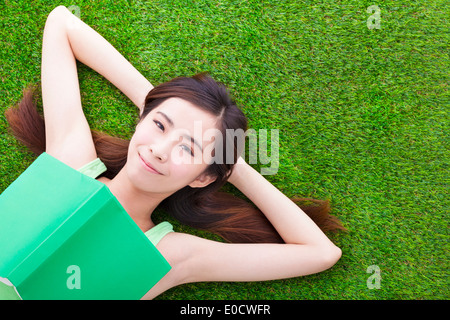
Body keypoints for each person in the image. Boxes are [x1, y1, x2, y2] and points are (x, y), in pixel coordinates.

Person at [4, 6, 344, 299]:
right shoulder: (71, 166)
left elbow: (321, 253)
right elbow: (61, 23)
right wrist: (154, 103)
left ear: (203, 177)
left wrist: (234, 168)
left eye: (187, 148)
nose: (161, 150)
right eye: (160, 127)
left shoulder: (170, 255)